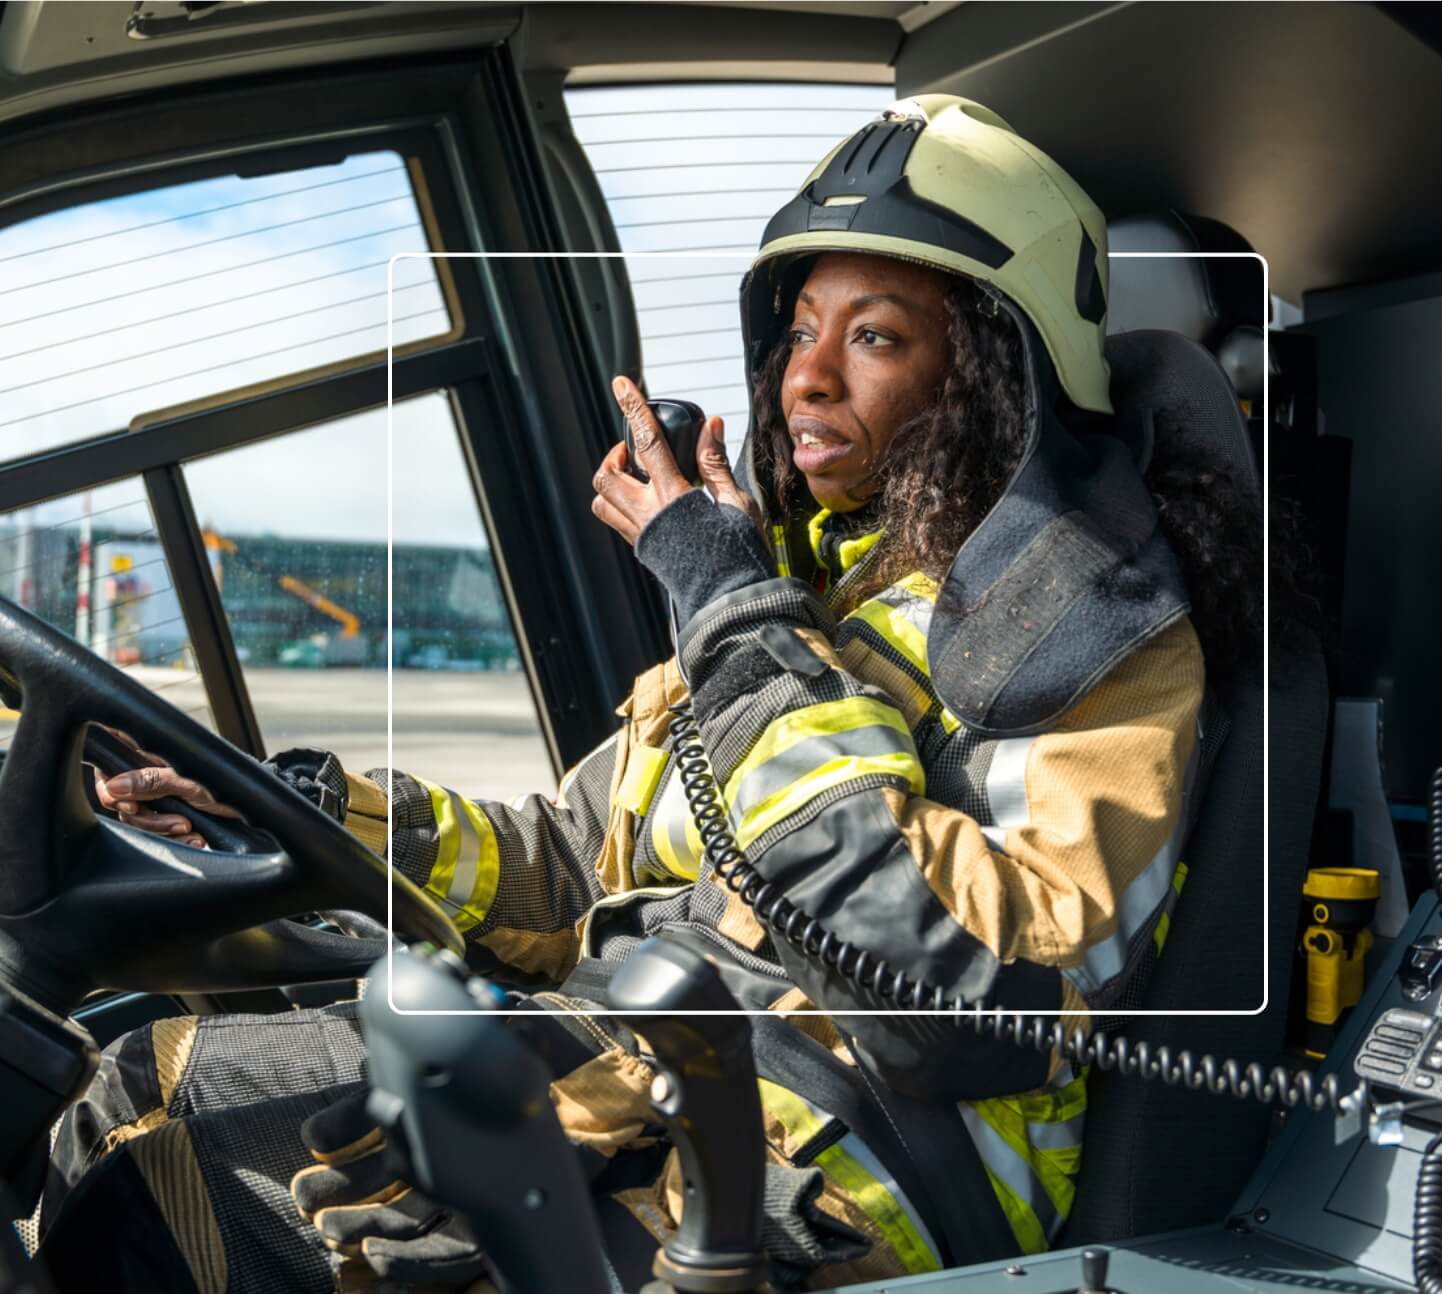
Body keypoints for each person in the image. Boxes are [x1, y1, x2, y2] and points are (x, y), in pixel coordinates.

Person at [38, 96, 1259, 1293]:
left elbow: (952, 989)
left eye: (874, 337)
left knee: (172, 1203)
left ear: (993, 373)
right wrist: (292, 803)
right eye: (801, 332)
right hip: (638, 1058)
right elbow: (572, 862)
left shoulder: (1100, 643)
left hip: (857, 1178)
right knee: (134, 1092)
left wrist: (731, 618)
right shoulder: (783, 597)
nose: (806, 379)